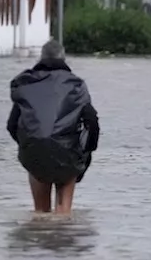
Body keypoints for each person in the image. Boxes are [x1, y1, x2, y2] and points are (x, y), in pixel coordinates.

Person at [7, 40, 100, 216]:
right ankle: (62, 228)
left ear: (41, 58)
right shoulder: (76, 85)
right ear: (64, 59)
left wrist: (28, 143)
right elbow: (92, 122)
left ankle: (39, 236)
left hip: (34, 154)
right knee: (63, 215)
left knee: (40, 214)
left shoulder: (26, 84)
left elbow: (11, 125)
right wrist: (86, 151)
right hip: (67, 155)